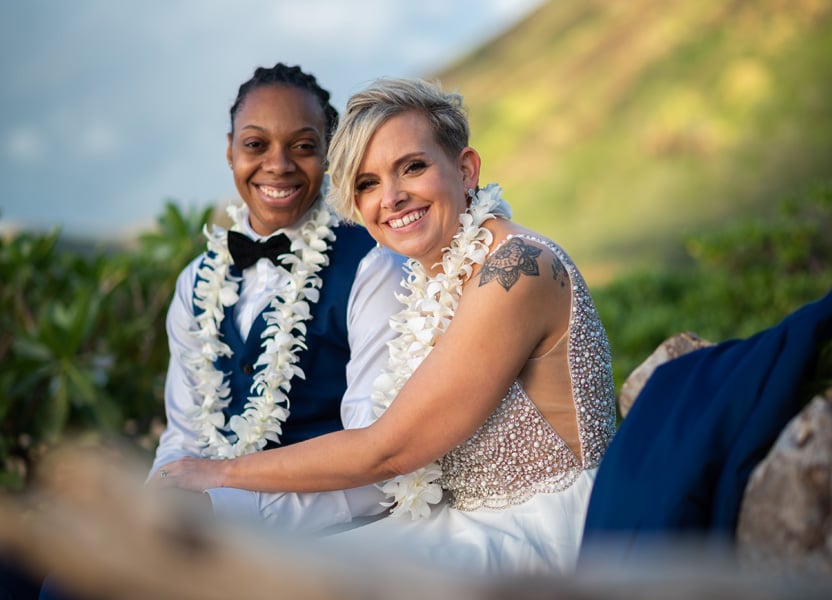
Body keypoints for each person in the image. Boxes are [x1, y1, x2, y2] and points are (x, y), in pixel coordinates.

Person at [153, 77, 617, 575]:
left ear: (465, 170)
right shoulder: (429, 280)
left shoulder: (517, 268)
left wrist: (221, 475)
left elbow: (387, 449)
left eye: (412, 167)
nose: (391, 197)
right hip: (455, 525)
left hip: (543, 535)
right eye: (367, 183)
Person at [149, 63, 407, 531]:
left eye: (304, 146)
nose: (278, 165)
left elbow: (378, 462)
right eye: (255, 144)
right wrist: (157, 504)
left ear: (329, 155)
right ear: (230, 151)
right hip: (202, 531)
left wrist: (229, 512)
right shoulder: (195, 281)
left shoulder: (373, 266)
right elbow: (182, 438)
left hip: (328, 543)